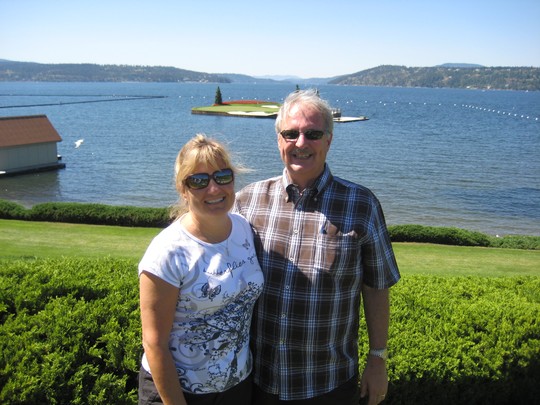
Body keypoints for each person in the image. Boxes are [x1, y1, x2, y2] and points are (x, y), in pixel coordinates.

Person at [234, 89, 400, 405]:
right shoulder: (247, 202)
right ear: (279, 140)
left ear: (328, 140)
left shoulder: (361, 205)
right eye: (291, 133)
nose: (301, 143)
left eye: (312, 134)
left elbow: (377, 286)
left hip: (328, 385)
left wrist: (378, 358)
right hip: (257, 382)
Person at [138, 134, 264, 405]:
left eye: (222, 176)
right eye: (198, 181)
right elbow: (154, 344)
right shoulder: (168, 252)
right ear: (182, 189)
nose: (214, 189)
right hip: (178, 393)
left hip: (237, 385)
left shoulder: (243, 228)